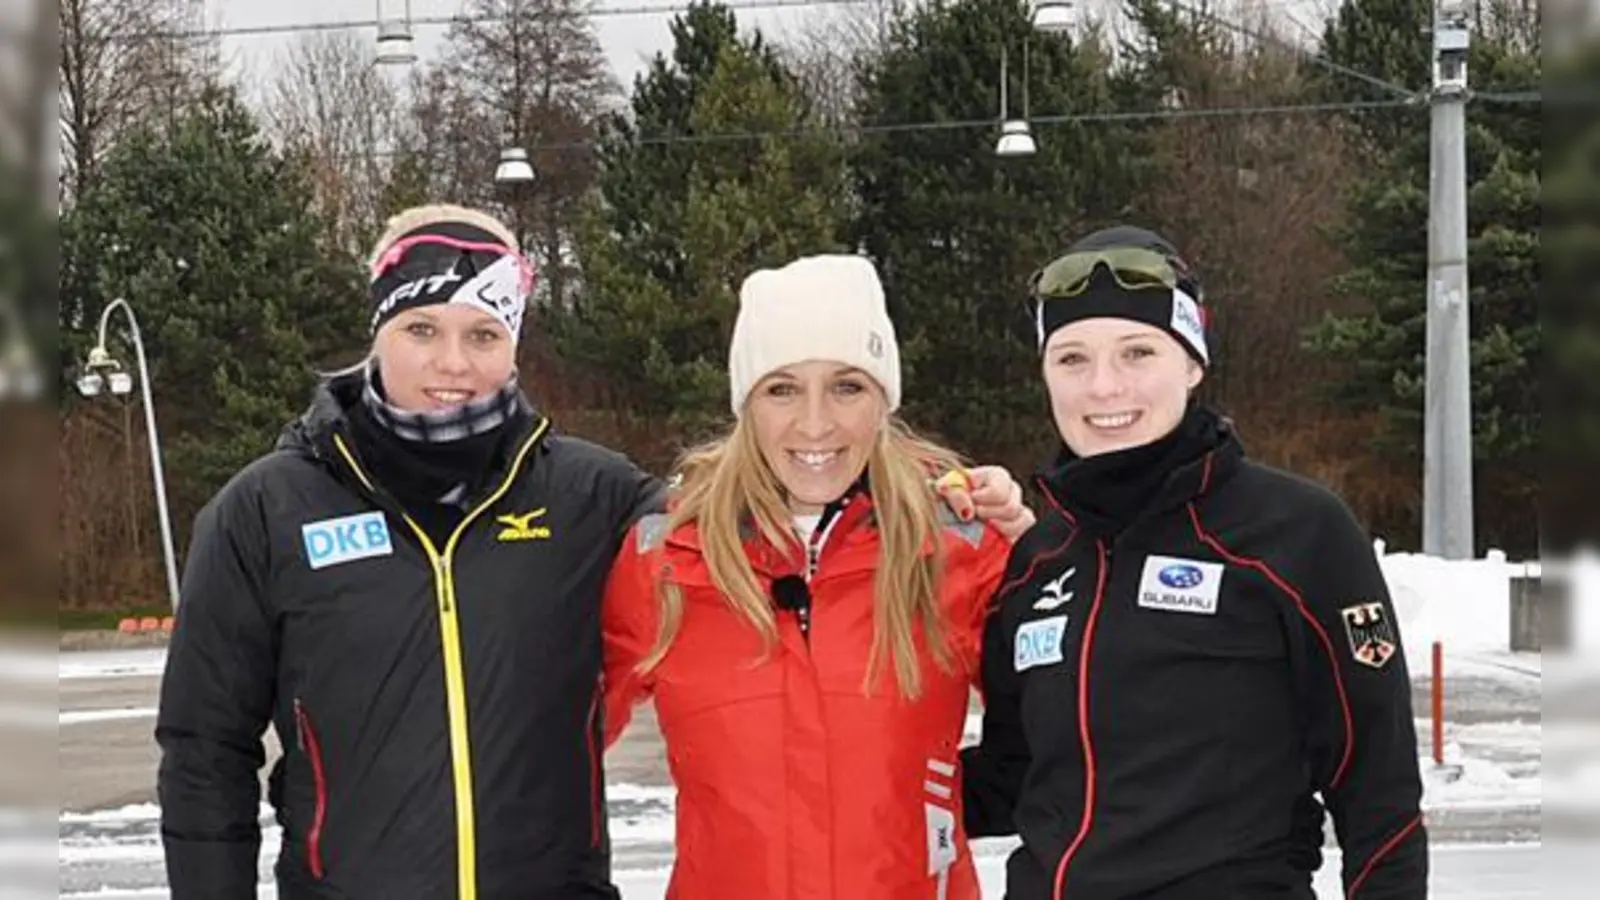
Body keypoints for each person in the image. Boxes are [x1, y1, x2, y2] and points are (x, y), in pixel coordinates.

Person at [155, 205, 1024, 900]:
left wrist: (930, 795)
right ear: (377, 329)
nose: (452, 362)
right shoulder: (265, 511)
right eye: (422, 328)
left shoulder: (600, 505)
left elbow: (1064, 731)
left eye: (484, 333)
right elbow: (203, 751)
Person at [961, 226, 1428, 900]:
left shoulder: (1296, 532)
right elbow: (1014, 775)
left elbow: (1378, 788)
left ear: (1192, 362)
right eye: (1071, 359)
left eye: (1137, 352)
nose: (1103, 387)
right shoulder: (1038, 561)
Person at [600, 254, 1035, 900]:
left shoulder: (957, 545)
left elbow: (1083, 729)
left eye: (847, 387)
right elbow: (536, 752)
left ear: (883, 398)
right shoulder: (663, 560)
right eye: (781, 389)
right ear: (746, 401)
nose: (815, 424)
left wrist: (1048, 553)